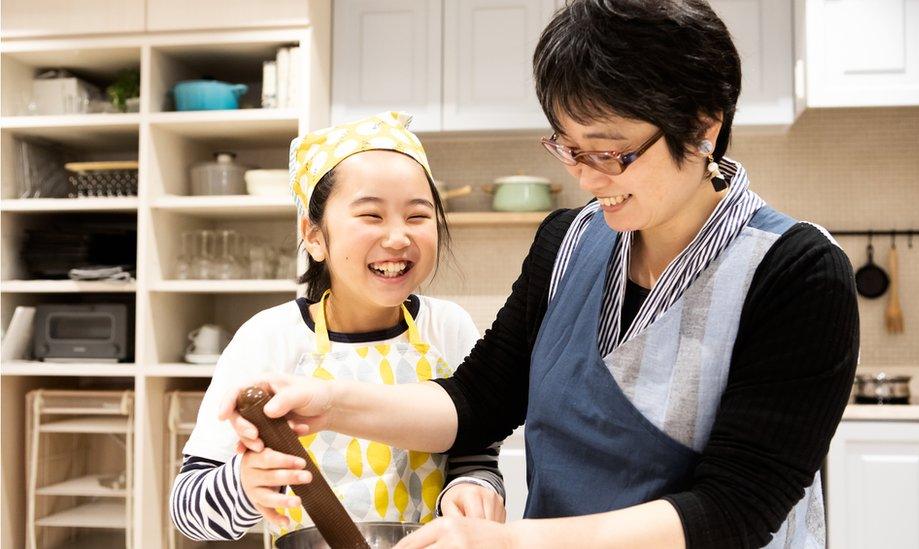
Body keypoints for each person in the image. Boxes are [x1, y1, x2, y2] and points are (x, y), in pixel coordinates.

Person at [220, 2, 859, 547]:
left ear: (702, 129)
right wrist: (328, 404)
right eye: (568, 147)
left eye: (610, 152)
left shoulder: (797, 273)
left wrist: (510, 540)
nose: (585, 176)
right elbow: (474, 404)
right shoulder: (567, 241)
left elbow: (735, 510)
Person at [169, 111, 506, 543]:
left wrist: (473, 487)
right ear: (313, 236)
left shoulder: (448, 328)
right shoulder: (269, 338)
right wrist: (243, 483)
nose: (399, 237)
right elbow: (186, 509)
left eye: (418, 216)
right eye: (371, 215)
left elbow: (474, 452)